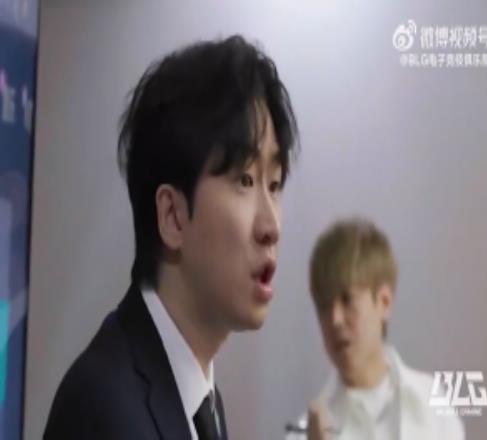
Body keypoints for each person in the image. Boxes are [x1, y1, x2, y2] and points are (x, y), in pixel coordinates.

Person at [44, 35, 298, 440]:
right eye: (245, 180)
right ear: (172, 217)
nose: (272, 227)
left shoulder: (200, 397)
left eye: (275, 183)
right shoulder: (103, 408)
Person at [288, 218, 464, 440]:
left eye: (347, 299)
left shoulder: (435, 407)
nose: (335, 320)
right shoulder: (303, 435)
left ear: (384, 302)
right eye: (324, 306)